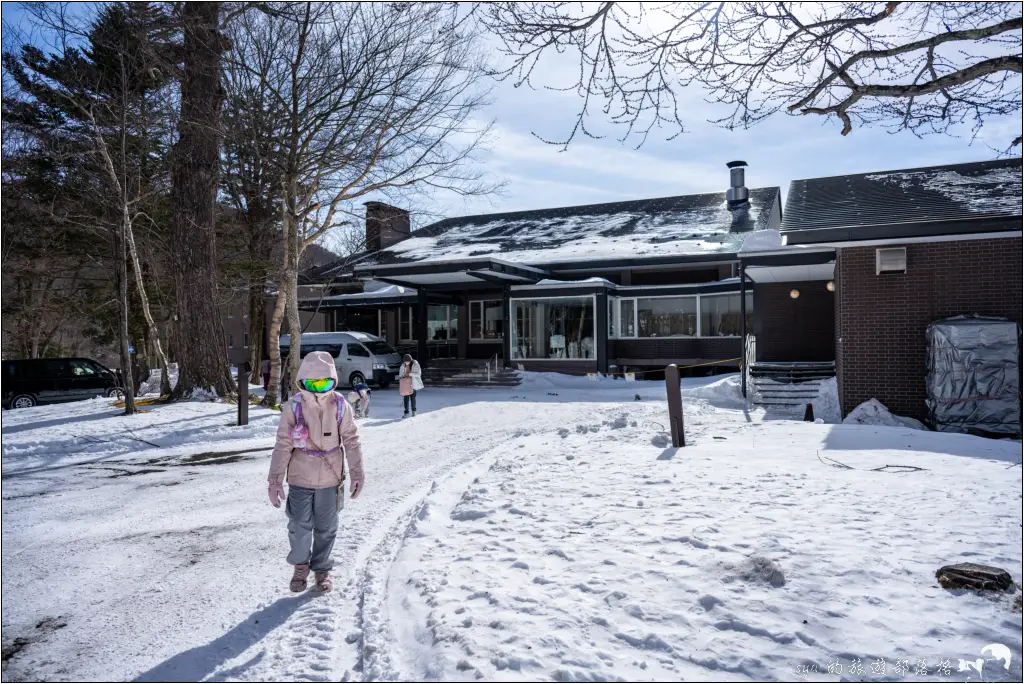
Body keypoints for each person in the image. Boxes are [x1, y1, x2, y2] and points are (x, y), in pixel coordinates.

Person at [267, 351, 364, 593]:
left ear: (332, 380)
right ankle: (301, 565)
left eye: (324, 383)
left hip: (331, 479)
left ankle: (322, 569)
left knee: (327, 527)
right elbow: (282, 444)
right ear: (302, 381)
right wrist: (275, 481)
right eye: (312, 383)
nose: (318, 389)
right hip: (301, 477)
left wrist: (357, 474)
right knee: (299, 525)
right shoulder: (294, 407)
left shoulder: (340, 406)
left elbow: (351, 440)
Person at [398, 354, 423, 418]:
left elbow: (418, 374)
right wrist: (402, 377)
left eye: (408, 361)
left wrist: (410, 374)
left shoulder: (415, 364)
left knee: (413, 398)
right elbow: (400, 375)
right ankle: (406, 413)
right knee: (405, 399)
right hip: (405, 384)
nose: (407, 363)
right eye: (405, 361)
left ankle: (414, 411)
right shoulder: (402, 366)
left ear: (410, 360)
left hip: (413, 384)